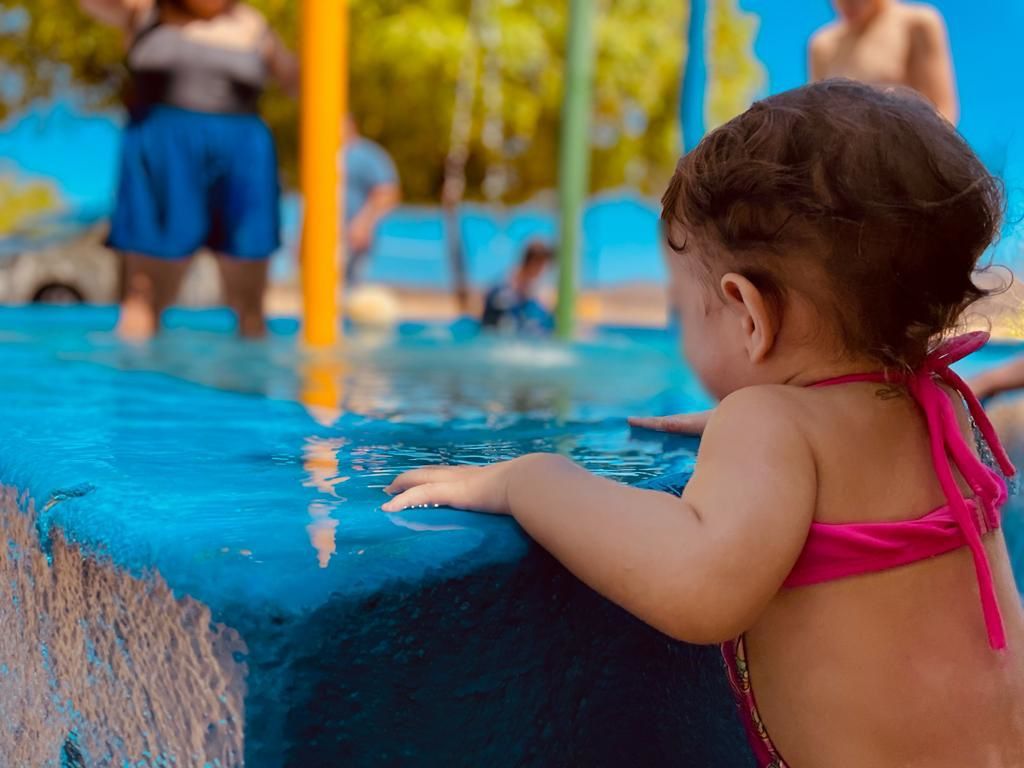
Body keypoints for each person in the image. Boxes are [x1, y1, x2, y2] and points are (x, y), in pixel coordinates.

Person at [382, 81, 1024, 766]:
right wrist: (747, 438)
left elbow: (699, 586)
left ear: (748, 313)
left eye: (684, 311)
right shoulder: (941, 406)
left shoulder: (771, 423)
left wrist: (529, 481)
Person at [80, 0, 298, 340]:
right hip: (165, 152)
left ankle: (248, 390)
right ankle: (133, 388)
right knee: (143, 299)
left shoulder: (254, 24)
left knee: (251, 308)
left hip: (244, 157)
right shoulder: (145, 11)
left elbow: (301, 82)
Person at [810, 0, 958, 123]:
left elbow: (943, 110)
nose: (847, 4)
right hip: (844, 155)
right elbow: (817, 116)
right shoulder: (823, 44)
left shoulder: (916, 23)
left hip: (905, 150)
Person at [344, 116, 401, 287]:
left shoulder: (366, 155)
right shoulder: (322, 156)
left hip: (353, 239)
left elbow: (387, 193)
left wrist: (364, 224)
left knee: (351, 290)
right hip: (327, 238)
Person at [480, 241, 554, 334]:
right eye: (542, 265)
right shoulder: (507, 285)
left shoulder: (532, 285)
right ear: (533, 262)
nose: (543, 270)